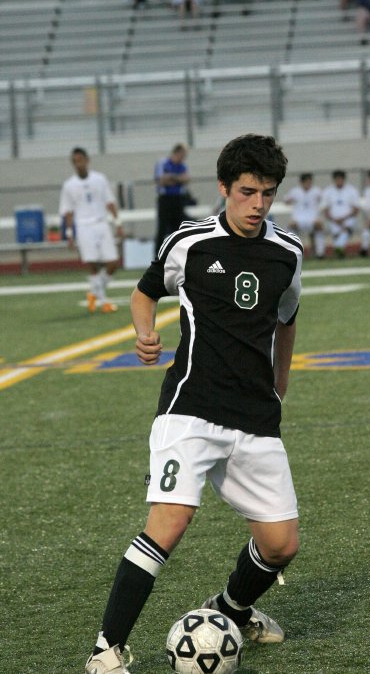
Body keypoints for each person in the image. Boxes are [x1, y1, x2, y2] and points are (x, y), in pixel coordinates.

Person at [85, 134, 303, 674]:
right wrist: (143, 334)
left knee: (280, 546)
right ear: (224, 188)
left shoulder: (288, 253)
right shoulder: (190, 242)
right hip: (191, 408)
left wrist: (280, 384)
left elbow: (288, 316)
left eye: (268, 194)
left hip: (255, 416)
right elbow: (143, 292)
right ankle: (107, 648)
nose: (258, 204)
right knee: (171, 520)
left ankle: (230, 608)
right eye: (248, 191)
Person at [59, 147, 123, 313]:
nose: (78, 163)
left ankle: (94, 292)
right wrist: (69, 234)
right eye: (75, 161)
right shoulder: (69, 185)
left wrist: (118, 223)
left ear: (87, 160)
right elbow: (68, 211)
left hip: (101, 223)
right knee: (92, 264)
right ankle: (103, 301)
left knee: (113, 262)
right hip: (83, 226)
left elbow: (110, 202)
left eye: (80, 159)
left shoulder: (99, 179)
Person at [154, 142, 191, 253]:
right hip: (165, 200)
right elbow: (161, 180)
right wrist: (177, 179)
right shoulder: (163, 163)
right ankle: (158, 255)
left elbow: (186, 179)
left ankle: (177, 253)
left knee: (178, 228)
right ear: (178, 152)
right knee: (162, 228)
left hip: (178, 200)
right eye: (183, 154)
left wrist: (171, 177)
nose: (184, 157)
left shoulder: (183, 166)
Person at [284, 172, 325, 259]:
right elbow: (286, 200)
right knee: (290, 228)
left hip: (312, 219)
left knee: (319, 227)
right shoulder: (295, 191)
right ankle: (293, 253)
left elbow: (324, 201)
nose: (308, 184)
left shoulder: (316, 191)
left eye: (309, 181)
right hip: (298, 219)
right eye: (306, 182)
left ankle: (320, 254)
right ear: (302, 182)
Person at [320, 170, 360, 258]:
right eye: (337, 179)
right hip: (333, 220)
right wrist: (334, 219)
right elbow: (325, 209)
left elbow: (356, 209)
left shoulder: (352, 190)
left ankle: (338, 248)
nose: (339, 181)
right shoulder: (328, 191)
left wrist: (343, 218)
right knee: (336, 231)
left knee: (346, 228)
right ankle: (339, 250)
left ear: (344, 179)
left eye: (340, 179)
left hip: (348, 218)